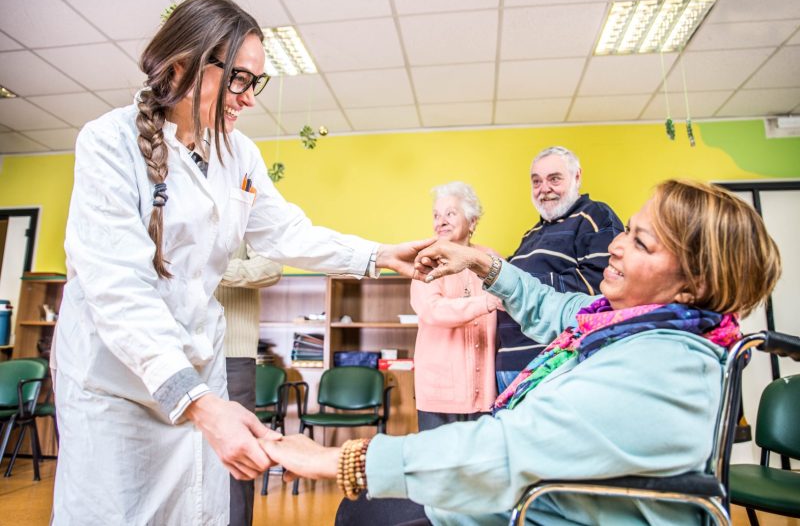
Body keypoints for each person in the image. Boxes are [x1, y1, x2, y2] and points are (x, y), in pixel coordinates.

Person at [51, 0, 429, 525]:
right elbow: (118, 289)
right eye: (239, 80)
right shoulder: (108, 143)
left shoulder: (238, 153)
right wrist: (200, 403)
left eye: (256, 82)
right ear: (181, 65)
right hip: (117, 376)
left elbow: (287, 232)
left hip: (195, 363)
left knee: (196, 509)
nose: (249, 98)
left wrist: (380, 254)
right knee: (116, 511)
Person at [260, 180, 781, 526]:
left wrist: (340, 459)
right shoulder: (630, 326)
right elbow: (553, 307)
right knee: (370, 508)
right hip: (540, 495)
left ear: (694, 284)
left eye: (641, 243)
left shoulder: (662, 366)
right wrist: (484, 266)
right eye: (626, 229)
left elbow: (505, 452)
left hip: (541, 510)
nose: (615, 245)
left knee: (365, 511)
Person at [495, 146, 623, 392]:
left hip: (552, 363)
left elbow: (601, 285)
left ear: (577, 177)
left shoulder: (595, 215)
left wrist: (516, 286)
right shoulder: (530, 234)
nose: (544, 188)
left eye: (554, 179)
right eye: (536, 181)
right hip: (508, 363)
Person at [410, 182, 502, 431]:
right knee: (436, 455)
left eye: (450, 214)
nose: (441, 221)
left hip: (484, 391)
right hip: (439, 391)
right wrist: (487, 302)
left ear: (472, 222)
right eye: (436, 215)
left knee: (481, 455)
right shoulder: (426, 261)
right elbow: (432, 310)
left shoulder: (491, 259)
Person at [215, 242, 282, 526]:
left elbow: (271, 267)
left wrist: (213, 269)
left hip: (233, 352)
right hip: (179, 352)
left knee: (237, 456)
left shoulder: (246, 217)